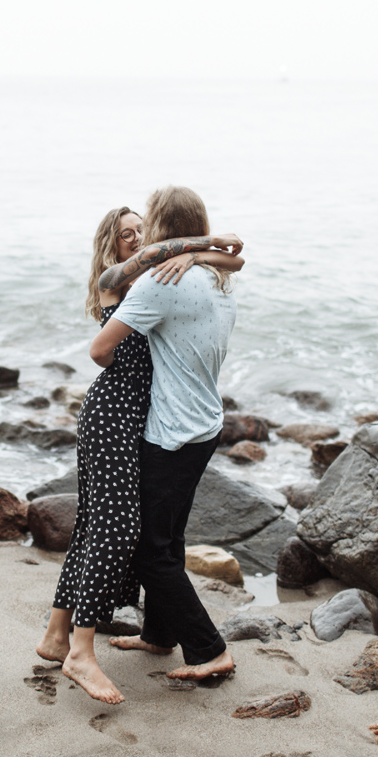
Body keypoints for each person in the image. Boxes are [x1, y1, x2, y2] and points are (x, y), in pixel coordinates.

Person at [36, 204, 244, 704]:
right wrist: (195, 246)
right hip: (114, 413)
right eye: (126, 234)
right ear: (112, 244)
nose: (135, 240)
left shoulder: (160, 277)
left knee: (93, 524)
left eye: (140, 232)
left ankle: (56, 634)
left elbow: (234, 257)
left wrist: (195, 250)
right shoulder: (119, 279)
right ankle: (81, 652)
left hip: (139, 419)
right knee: (118, 529)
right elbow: (101, 353)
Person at [92, 186, 239, 683]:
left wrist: (125, 381)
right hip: (206, 424)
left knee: (148, 551)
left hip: (173, 432)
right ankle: (160, 634)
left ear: (157, 226)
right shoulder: (216, 277)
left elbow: (100, 349)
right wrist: (200, 249)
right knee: (169, 538)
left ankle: (209, 649)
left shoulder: (161, 281)